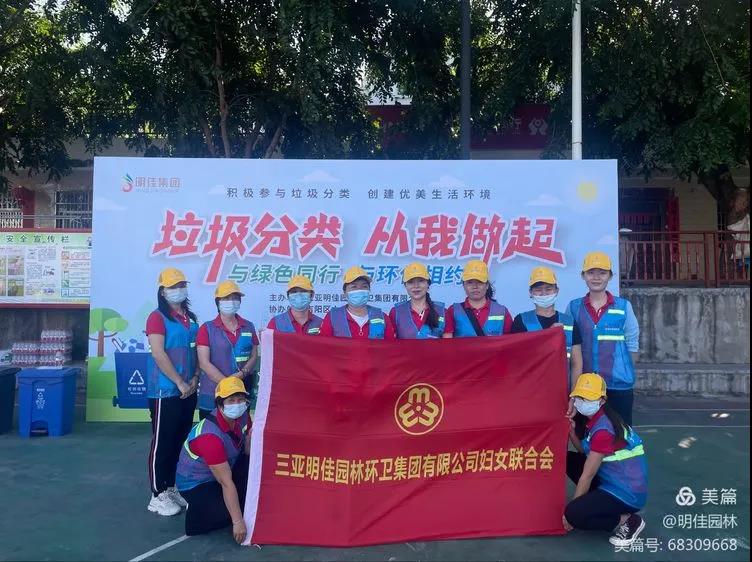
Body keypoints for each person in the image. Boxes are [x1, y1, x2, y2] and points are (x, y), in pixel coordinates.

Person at [564, 373, 647, 547]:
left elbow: (587, 475)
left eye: (588, 398)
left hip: (626, 493)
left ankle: (626, 520)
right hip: (613, 480)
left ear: (602, 400)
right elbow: (586, 452)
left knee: (574, 514)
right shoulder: (598, 419)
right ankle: (594, 503)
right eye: (580, 397)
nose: (582, 401)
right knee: (568, 460)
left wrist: (571, 513)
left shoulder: (603, 429)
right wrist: (572, 433)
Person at [144, 267, 200, 516]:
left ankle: (172, 486)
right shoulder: (157, 318)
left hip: (188, 389)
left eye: (181, 285)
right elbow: (158, 353)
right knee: (163, 442)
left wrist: (194, 378)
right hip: (165, 391)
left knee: (180, 440)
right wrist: (178, 382)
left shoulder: (190, 318)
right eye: (173, 286)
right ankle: (157, 494)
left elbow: (196, 351)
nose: (178, 290)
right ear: (163, 291)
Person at [175, 376, 252, 543]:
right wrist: (238, 522)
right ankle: (196, 510)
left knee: (251, 495)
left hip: (225, 468)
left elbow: (247, 449)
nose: (237, 404)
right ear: (219, 404)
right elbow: (225, 482)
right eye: (231, 400)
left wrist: (247, 447)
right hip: (197, 483)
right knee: (232, 511)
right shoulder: (209, 436)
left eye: (240, 399)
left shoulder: (243, 417)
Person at [566, 252, 639, 425]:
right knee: (585, 435)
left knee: (620, 433)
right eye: (591, 273)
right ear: (583, 276)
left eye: (602, 273)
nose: (596, 277)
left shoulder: (624, 306)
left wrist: (624, 371)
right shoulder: (574, 307)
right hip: (585, 387)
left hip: (618, 385)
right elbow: (568, 345)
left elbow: (632, 344)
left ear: (610, 276)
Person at [196, 280, 259, 419]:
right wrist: (228, 384)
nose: (231, 301)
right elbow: (204, 363)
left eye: (235, 298)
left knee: (240, 428)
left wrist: (242, 374)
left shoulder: (248, 326)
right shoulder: (206, 328)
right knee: (212, 428)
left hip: (241, 393)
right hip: (213, 392)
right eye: (226, 298)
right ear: (218, 302)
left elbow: (254, 355)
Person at [512, 266, 583, 385]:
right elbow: (516, 360)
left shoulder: (569, 322)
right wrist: (549, 335)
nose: (544, 293)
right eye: (538, 289)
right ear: (531, 292)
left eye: (549, 289)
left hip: (561, 389)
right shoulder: (521, 321)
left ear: (557, 291)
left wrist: (575, 393)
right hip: (531, 389)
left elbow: (576, 363)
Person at [319, 265, 396, 339]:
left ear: (369, 291)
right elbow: (324, 345)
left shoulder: (381, 317)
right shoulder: (333, 317)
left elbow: (390, 345)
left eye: (364, 286)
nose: (359, 290)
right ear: (345, 293)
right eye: (354, 287)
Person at [443, 259, 512, 338]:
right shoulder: (453, 311)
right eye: (470, 282)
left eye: (480, 282)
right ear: (464, 285)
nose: (475, 287)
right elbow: (447, 343)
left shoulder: (502, 311)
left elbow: (511, 342)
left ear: (487, 285)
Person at [389, 262, 445, 338]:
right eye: (410, 282)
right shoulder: (396, 312)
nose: (416, 286)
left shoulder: (442, 311)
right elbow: (391, 342)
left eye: (420, 281)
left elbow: (449, 343)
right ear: (405, 285)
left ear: (428, 283)